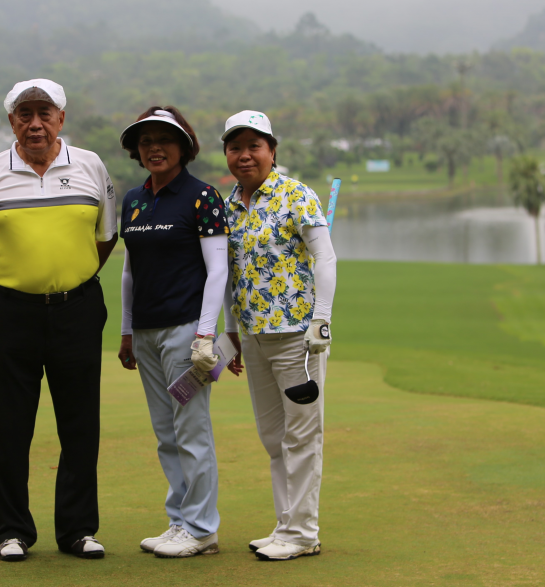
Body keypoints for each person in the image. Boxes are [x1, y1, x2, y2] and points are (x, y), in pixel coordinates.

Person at [0, 79, 118, 562]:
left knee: (79, 423)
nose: (35, 123)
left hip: (78, 308)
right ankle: (12, 530)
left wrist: (70, 277)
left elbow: (106, 236)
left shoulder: (91, 165)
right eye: (24, 114)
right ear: (11, 121)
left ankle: (77, 530)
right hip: (11, 312)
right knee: (8, 424)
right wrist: (17, 282)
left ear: (61, 118)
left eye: (44, 113)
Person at [220, 110, 337, 562]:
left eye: (254, 146)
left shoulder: (297, 195)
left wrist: (320, 320)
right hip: (253, 335)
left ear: (272, 151)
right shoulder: (229, 205)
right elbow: (232, 275)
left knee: (301, 436)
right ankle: (285, 525)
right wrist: (231, 332)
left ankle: (302, 532)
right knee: (273, 436)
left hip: (297, 337)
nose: (244, 155)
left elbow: (324, 258)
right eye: (235, 147)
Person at [115, 107, 228, 558]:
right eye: (146, 141)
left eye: (165, 139)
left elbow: (217, 270)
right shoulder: (134, 200)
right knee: (166, 432)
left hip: (186, 336)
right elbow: (130, 270)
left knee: (192, 429)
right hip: (146, 333)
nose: (154, 148)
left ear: (184, 146)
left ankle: (202, 528)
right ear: (136, 150)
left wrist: (205, 336)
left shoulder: (202, 197)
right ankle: (180, 520)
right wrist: (126, 331)